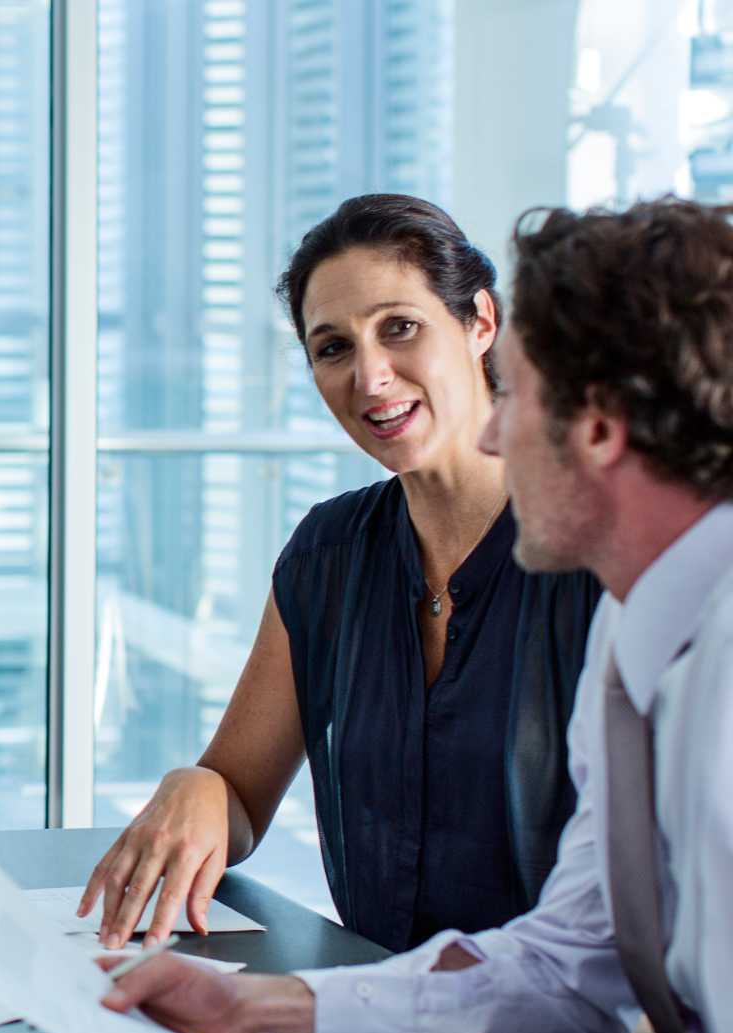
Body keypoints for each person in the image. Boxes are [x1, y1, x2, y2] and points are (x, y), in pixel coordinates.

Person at [101, 197, 733, 1033]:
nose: (490, 424)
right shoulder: (642, 630)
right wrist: (274, 1011)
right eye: (333, 347)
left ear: (601, 426)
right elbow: (566, 964)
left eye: (515, 393)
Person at [78, 195, 602, 951]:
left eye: (400, 328)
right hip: (374, 1012)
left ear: (480, 323)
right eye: (333, 348)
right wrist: (196, 787)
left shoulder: (593, 552)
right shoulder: (332, 553)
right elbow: (241, 797)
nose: (371, 377)